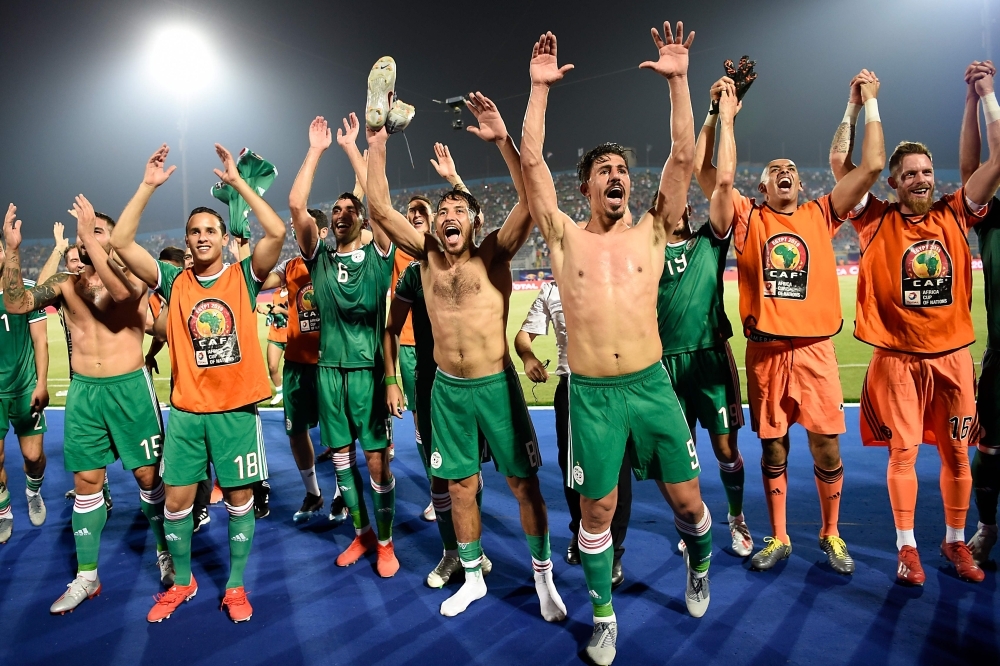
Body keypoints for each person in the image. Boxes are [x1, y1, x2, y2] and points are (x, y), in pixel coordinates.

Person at [521, 22, 718, 664]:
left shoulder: (654, 231)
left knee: (688, 501)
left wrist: (681, 82)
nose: (617, 175)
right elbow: (529, 163)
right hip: (592, 397)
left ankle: (698, 564)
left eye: (623, 169)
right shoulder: (562, 238)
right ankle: (604, 617)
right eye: (604, 169)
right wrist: (539, 90)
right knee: (597, 513)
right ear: (584, 186)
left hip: (651, 384)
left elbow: (684, 158)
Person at [367, 89, 566, 620]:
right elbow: (379, 208)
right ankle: (473, 575)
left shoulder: (494, 253)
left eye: (458, 207)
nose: (448, 212)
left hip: (497, 384)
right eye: (442, 210)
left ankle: (544, 581)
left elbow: (530, 200)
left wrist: (502, 139)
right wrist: (377, 141)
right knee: (459, 486)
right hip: (447, 392)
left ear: (474, 222)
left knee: (523, 484)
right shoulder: (426, 256)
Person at [695, 69, 884, 575]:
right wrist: (717, 115)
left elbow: (872, 166)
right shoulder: (748, 216)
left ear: (801, 183)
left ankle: (831, 533)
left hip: (815, 351)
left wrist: (861, 105)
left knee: (825, 445)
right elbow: (704, 170)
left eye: (792, 169)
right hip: (766, 352)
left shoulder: (823, 212)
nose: (784, 171)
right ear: (762, 184)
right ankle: (778, 536)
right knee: (773, 445)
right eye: (776, 168)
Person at [831, 62, 1000, 584]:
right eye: (911, 174)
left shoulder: (957, 212)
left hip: (951, 359)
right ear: (893, 181)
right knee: (902, 454)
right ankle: (907, 549)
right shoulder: (872, 218)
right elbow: (841, 160)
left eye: (928, 171)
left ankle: (954, 542)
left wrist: (984, 97)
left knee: (957, 453)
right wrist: (858, 105)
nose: (922, 179)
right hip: (898, 363)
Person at [110, 143, 286, 622]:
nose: (202, 236)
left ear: (224, 238)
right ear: (186, 240)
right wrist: (147, 185)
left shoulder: (244, 275)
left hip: (234, 412)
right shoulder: (173, 279)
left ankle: (234, 586)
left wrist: (238, 185)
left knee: (238, 499)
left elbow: (277, 230)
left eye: (211, 229)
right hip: (186, 414)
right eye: (194, 231)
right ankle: (183, 582)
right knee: (177, 502)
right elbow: (121, 242)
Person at [3, 197, 171, 614]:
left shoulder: (131, 276)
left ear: (113, 241)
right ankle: (87, 576)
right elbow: (16, 304)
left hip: (130, 389)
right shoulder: (64, 282)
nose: (86, 236)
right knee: (86, 486)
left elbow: (117, 294)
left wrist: (91, 239)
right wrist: (11, 251)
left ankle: (165, 552)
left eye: (97, 230)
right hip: (83, 395)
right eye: (85, 230)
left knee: (149, 480)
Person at [289, 116, 398, 577]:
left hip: (369, 371)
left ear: (361, 217)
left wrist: (358, 150)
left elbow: (382, 203)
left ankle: (387, 543)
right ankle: (361, 534)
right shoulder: (320, 260)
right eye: (334, 209)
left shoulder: (379, 253)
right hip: (328, 372)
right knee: (340, 460)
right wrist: (316, 150)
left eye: (348, 208)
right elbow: (297, 206)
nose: (340, 213)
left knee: (375, 461)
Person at [663, 79, 752, 559]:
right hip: (664, 367)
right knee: (683, 457)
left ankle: (737, 520)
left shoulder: (709, 241)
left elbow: (718, 178)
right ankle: (693, 522)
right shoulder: (645, 250)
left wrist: (721, 117)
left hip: (709, 361)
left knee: (724, 451)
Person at [515, 280, 634, 585]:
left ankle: (614, 551)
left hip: (612, 386)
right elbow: (522, 338)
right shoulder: (552, 290)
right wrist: (528, 357)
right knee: (572, 470)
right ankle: (580, 531)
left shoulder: (611, 278)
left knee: (617, 470)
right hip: (571, 388)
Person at [260, 242, 349, 525]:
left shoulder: (337, 263)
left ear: (322, 233)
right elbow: (258, 280)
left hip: (330, 362)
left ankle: (341, 494)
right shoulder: (289, 267)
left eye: (305, 229)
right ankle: (313, 493)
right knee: (296, 432)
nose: (299, 235)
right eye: (296, 231)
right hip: (297, 366)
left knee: (337, 434)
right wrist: (243, 244)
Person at [961, 61, 1000, 567]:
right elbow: (973, 175)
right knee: (989, 456)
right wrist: (977, 101)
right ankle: (988, 526)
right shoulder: (995, 220)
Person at [0, 228, 50, 543]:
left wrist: (41, 383)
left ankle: (33, 491)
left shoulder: (25, 289)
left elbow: (41, 342)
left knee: (33, 456)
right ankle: (3, 510)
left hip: (23, 388)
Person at [257, 288, 288, 405]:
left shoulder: (295, 291)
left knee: (293, 370)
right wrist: (265, 311)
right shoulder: (275, 294)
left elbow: (295, 314)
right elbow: (276, 314)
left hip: (291, 337)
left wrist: (280, 310)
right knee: (272, 367)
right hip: (275, 336)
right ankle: (280, 392)